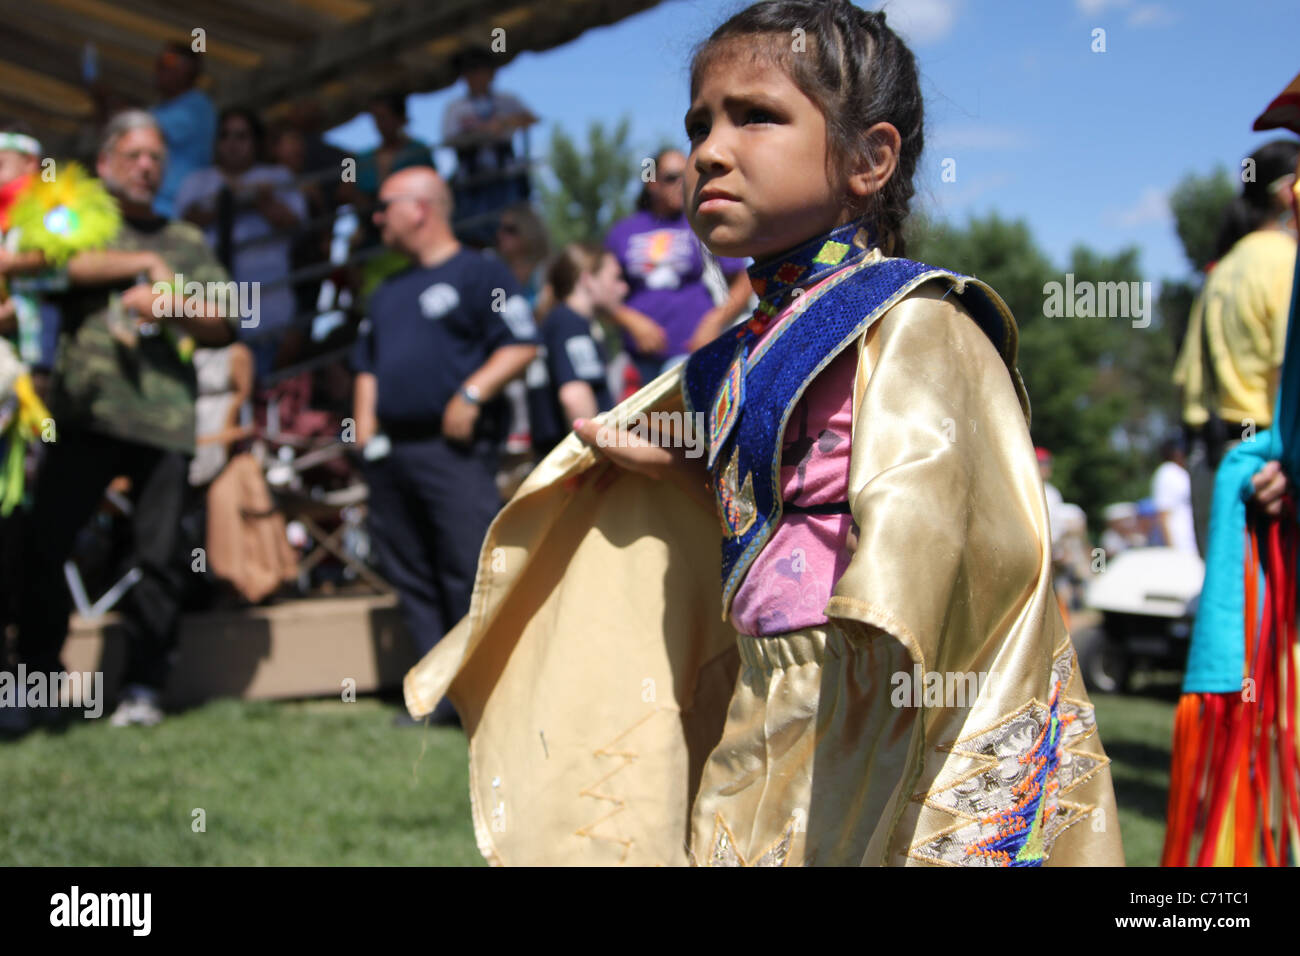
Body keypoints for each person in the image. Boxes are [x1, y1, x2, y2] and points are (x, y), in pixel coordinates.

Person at [403, 0, 1122, 866]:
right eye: (700, 123)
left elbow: (944, 546)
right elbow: (780, 515)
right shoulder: (735, 357)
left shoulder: (914, 324)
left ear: (868, 158)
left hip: (877, 713)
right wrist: (673, 470)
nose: (709, 150)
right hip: (768, 702)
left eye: (757, 117)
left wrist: (874, 698)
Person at [14, 110, 237, 729]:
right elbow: (43, 263)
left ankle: (144, 686)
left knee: (160, 553)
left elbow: (225, 320)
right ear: (107, 162)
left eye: (156, 159)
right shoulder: (81, 223)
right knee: (47, 544)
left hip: (164, 421)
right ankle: (36, 685)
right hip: (84, 414)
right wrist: (138, 268)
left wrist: (170, 301)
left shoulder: (186, 239)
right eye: (134, 155)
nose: (147, 167)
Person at [351, 167, 538, 725]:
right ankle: (433, 699)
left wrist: (471, 392)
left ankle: (486, 695)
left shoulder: (481, 273)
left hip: (453, 452)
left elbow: (521, 343)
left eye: (384, 206)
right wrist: (363, 428)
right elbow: (366, 367)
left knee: (469, 567)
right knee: (410, 573)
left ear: (420, 208)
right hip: (391, 455)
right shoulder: (387, 292)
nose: (377, 219)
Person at [1173, 139, 1299, 552]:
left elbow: (1186, 379)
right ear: (1286, 191)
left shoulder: (1218, 273)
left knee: (1226, 612)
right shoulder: (1286, 260)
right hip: (1269, 475)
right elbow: (1290, 373)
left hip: (1209, 465)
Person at [176, 108, 307, 379]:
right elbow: (182, 227)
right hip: (210, 321)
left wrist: (262, 202)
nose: (232, 143)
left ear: (256, 142)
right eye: (225, 136)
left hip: (270, 320)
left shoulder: (278, 177)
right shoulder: (196, 181)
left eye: (241, 136)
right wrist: (226, 205)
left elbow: (297, 227)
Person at [605, 148, 752, 387]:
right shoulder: (622, 231)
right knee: (646, 425)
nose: (682, 183)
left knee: (686, 424)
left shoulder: (703, 221)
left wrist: (715, 321)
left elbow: (744, 281)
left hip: (690, 354)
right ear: (651, 182)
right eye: (672, 177)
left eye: (688, 174)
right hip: (636, 360)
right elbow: (596, 292)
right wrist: (631, 321)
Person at [524, 244, 622, 457]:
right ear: (587, 280)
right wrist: (599, 455)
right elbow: (575, 396)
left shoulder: (563, 321)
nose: (622, 288)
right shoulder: (569, 323)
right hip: (571, 458)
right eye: (615, 278)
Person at [442, 48, 538, 248]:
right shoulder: (456, 107)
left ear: (492, 72)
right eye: (469, 71)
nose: (475, 76)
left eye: (480, 69)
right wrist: (478, 133)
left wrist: (504, 123)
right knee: (472, 228)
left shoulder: (506, 100)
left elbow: (531, 118)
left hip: (505, 173)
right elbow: (448, 139)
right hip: (471, 178)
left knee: (513, 223)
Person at [150, 43, 217, 219]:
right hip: (154, 208)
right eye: (159, 63)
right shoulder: (158, 108)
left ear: (189, 68)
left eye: (168, 62)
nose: (159, 68)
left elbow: (141, 131)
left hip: (177, 212)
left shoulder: (197, 106)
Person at [1151, 435, 1196, 555]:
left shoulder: (1181, 472)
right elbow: (1163, 514)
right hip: (1180, 545)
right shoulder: (1167, 472)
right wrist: (1172, 550)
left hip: (1191, 543)